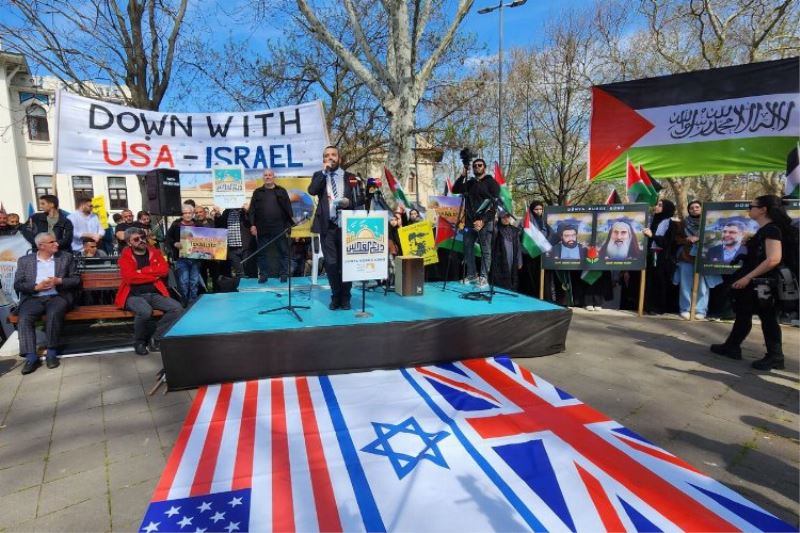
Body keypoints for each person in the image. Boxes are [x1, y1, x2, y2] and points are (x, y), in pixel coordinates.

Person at [711, 195, 798, 371]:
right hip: (760, 280)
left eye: (752, 206)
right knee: (744, 312)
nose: (749, 209)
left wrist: (747, 278)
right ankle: (732, 346)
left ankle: (775, 356)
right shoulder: (769, 229)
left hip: (764, 282)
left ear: (763, 210)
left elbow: (773, 259)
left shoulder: (772, 230)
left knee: (767, 317)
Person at [14, 232, 80, 374]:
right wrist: (35, 287)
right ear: (41, 246)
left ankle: (51, 352)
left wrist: (59, 281)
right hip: (33, 297)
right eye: (52, 242)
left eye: (55, 241)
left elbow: (76, 279)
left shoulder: (65, 257)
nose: (57, 244)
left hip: (58, 296)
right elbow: (18, 284)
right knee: (24, 317)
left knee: (54, 313)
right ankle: (31, 357)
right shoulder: (25, 261)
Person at [308, 145, 363, 310]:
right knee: (331, 264)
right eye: (326, 155)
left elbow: (360, 199)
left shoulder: (351, 177)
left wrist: (349, 202)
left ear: (339, 158)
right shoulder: (319, 175)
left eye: (333, 155)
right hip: (327, 226)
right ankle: (335, 296)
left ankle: (346, 297)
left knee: (346, 263)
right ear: (323, 160)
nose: (330, 157)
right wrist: (324, 173)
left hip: (347, 227)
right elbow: (312, 190)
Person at [115, 227, 184, 355]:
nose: (141, 240)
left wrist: (142, 271)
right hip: (133, 295)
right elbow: (130, 278)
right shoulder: (125, 256)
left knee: (177, 308)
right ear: (129, 243)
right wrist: (153, 275)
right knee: (145, 311)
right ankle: (139, 342)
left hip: (154, 293)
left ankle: (155, 337)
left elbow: (164, 271)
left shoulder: (155, 252)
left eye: (142, 237)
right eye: (136, 239)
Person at [452, 158, 500, 287]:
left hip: (485, 222)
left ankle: (484, 277)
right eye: (474, 166)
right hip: (469, 222)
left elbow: (494, 205)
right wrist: (462, 175)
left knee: (485, 250)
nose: (477, 167)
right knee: (467, 248)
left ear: (484, 167)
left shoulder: (492, 183)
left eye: (480, 165)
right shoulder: (470, 183)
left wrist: (483, 221)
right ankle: (472, 275)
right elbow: (454, 189)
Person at [250, 169, 295, 283]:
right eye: (265, 175)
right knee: (262, 253)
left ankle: (283, 274)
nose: (268, 177)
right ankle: (263, 275)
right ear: (263, 178)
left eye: (270, 175)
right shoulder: (257, 192)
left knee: (283, 251)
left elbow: (288, 208)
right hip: (262, 228)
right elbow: (252, 210)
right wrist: (253, 225)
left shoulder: (281, 191)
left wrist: (288, 225)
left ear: (274, 177)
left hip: (279, 227)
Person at [674, 200, 711, 319]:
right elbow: (676, 239)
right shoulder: (683, 224)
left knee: (702, 285)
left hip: (704, 257)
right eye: (691, 208)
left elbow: (715, 237)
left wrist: (701, 238)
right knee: (685, 284)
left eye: (697, 207)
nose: (694, 209)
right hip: (686, 257)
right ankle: (685, 309)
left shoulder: (709, 222)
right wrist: (687, 239)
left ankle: (700, 310)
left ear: (702, 208)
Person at [642, 200, 677, 314]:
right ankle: (647, 306)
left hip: (661, 257)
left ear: (666, 208)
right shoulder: (651, 220)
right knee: (648, 281)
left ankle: (657, 308)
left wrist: (652, 235)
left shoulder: (670, 224)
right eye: (657, 205)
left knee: (659, 282)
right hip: (649, 255)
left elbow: (667, 242)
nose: (657, 207)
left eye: (660, 205)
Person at [166, 204, 201, 306]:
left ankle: (192, 303)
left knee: (194, 282)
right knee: (184, 281)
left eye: (189, 213)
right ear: (182, 214)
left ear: (193, 214)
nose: (187, 215)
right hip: (181, 258)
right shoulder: (176, 225)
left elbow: (207, 238)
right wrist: (174, 243)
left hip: (196, 258)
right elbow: (168, 238)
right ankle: (184, 303)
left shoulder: (198, 224)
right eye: (185, 213)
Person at [215, 202, 252, 278]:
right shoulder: (226, 211)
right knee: (239, 273)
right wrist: (218, 215)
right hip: (232, 249)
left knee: (249, 271)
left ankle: (251, 286)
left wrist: (248, 211)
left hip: (246, 248)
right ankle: (241, 285)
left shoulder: (244, 211)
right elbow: (220, 226)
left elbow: (252, 222)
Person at [492, 212, 522, 290]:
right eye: (503, 217)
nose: (506, 219)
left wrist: (519, 261)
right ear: (500, 218)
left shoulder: (514, 230)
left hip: (512, 257)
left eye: (508, 217)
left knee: (512, 275)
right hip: (499, 259)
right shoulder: (496, 229)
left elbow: (518, 247)